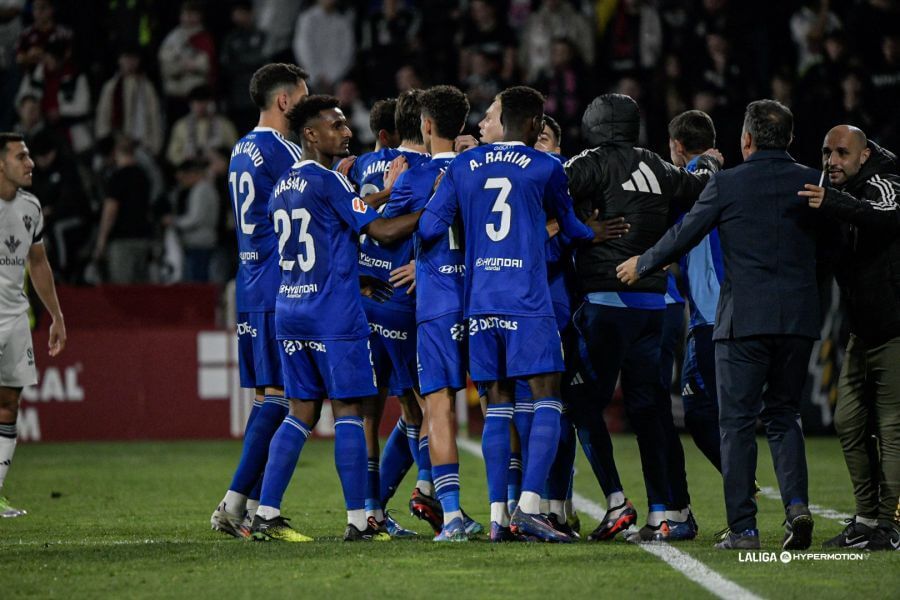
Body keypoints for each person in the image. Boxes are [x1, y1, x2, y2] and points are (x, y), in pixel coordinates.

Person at [617, 99, 823, 551]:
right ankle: (797, 508)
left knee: (735, 423)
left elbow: (683, 234)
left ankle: (745, 529)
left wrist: (642, 263)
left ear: (746, 139)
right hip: (798, 319)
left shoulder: (728, 184)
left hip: (742, 321)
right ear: (789, 139)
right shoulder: (813, 181)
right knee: (785, 415)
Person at [419, 86, 603, 543]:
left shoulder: (463, 164)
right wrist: (589, 231)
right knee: (547, 398)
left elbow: (428, 228)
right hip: (527, 300)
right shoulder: (546, 166)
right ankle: (530, 507)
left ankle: (499, 516)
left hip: (479, 302)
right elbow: (573, 227)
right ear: (539, 127)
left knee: (496, 405)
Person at [249, 95, 422, 542]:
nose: (347, 132)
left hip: (291, 310)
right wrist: (441, 205)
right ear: (310, 134)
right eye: (336, 125)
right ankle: (359, 520)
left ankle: (265, 513)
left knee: (300, 412)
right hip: (333, 316)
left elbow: (314, 244)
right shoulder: (329, 182)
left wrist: (355, 272)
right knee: (349, 410)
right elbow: (381, 231)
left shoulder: (283, 185)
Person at [565, 93, 720, 542]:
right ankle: (666, 513)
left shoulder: (590, 163)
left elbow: (545, 192)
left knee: (580, 403)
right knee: (650, 411)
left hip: (606, 303)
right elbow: (701, 188)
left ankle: (616, 500)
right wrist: (708, 162)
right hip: (656, 308)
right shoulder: (657, 165)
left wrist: (582, 229)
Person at [209, 63, 308, 539]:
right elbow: (308, 201)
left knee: (266, 399)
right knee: (282, 400)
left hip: (249, 282)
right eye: (303, 98)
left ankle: (239, 505)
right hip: (277, 284)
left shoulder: (241, 148)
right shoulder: (282, 149)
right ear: (284, 101)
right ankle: (238, 505)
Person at [381, 84, 477, 541]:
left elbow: (380, 233)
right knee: (503, 406)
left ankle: (452, 514)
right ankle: (513, 510)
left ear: (426, 125)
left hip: (436, 302)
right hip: (482, 299)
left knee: (437, 407)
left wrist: (382, 191)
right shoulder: (479, 167)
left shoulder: (413, 175)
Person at [799, 125, 900, 551]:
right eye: (826, 152)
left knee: (893, 427)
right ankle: (866, 518)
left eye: (842, 153)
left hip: (896, 329)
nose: (832, 161)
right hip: (863, 330)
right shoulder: (831, 189)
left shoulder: (886, 178)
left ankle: (890, 524)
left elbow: (886, 214)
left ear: (864, 155)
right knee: (848, 421)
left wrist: (833, 203)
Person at [339, 93, 432, 538]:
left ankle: (369, 510)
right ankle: (431, 491)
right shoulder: (418, 167)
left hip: (363, 298)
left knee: (368, 413)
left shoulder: (355, 169)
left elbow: (349, 219)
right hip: (400, 296)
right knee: (417, 406)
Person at [665, 110, 725, 540]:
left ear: (678, 147)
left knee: (705, 413)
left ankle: (744, 495)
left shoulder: (694, 177)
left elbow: (672, 243)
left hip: (712, 315)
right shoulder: (720, 176)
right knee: (713, 412)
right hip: (716, 314)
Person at [0, 132, 66, 517]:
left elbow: (37, 263)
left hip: (13, 318)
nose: (31, 163)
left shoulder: (31, 207)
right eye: (21, 156)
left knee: (9, 405)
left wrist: (56, 316)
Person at [92, 135, 153, 284]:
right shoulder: (143, 176)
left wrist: (101, 241)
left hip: (122, 242)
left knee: (123, 292)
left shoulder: (117, 177)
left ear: (116, 152)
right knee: (140, 291)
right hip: (143, 238)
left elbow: (110, 211)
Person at [95, 46, 165, 156]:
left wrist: (155, 146)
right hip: (117, 144)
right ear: (120, 60)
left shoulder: (146, 87)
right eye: (127, 58)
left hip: (143, 144)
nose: (130, 62)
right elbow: (103, 116)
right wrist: (105, 145)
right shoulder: (111, 86)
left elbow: (154, 117)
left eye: (134, 58)